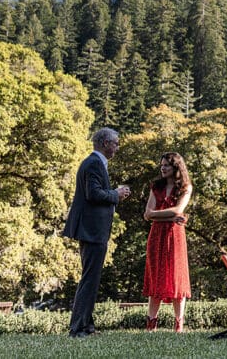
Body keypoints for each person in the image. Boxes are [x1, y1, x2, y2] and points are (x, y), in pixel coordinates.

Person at [63, 127, 131, 338]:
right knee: (90, 278)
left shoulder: (95, 163)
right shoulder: (93, 163)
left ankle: (86, 326)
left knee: (91, 278)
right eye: (115, 143)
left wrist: (114, 194)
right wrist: (116, 194)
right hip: (92, 229)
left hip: (92, 229)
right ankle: (79, 329)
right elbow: (93, 194)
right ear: (105, 143)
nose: (117, 148)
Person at [143, 152, 193, 332]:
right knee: (156, 276)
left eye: (166, 165)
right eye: (161, 165)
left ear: (176, 167)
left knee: (176, 276)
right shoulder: (156, 186)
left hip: (175, 236)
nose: (162, 168)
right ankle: (151, 324)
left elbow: (178, 209)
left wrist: (157, 215)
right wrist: (170, 216)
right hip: (157, 236)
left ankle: (178, 324)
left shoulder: (185, 187)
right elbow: (147, 214)